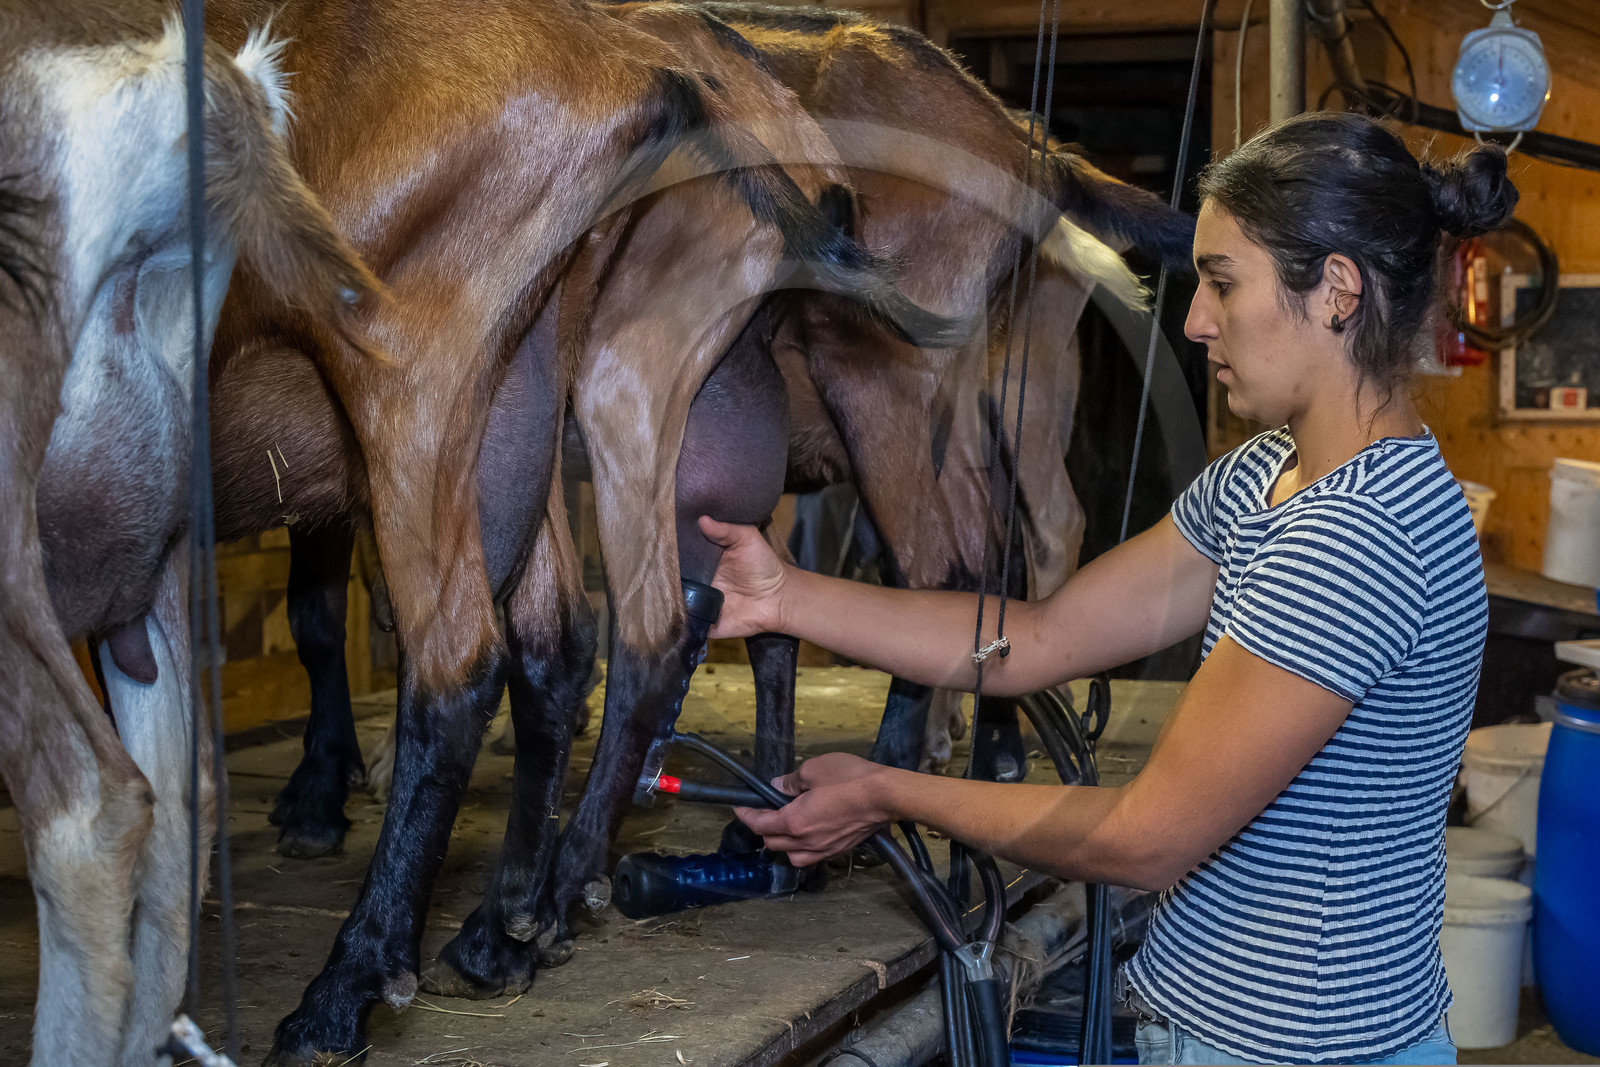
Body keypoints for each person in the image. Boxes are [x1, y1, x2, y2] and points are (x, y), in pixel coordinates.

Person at [698, 112, 1516, 1066]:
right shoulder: (1267, 479)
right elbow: (1040, 637)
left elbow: (1146, 836)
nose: (1195, 319)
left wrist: (891, 791)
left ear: (1336, 290)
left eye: (1223, 283)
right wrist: (784, 595)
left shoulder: (1360, 536)